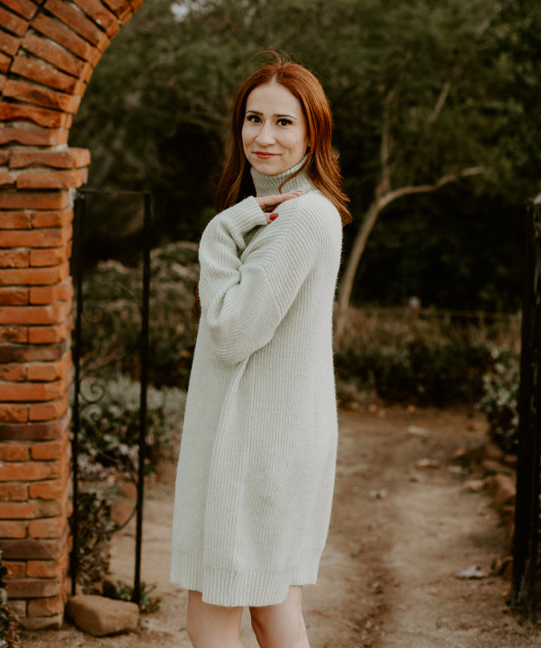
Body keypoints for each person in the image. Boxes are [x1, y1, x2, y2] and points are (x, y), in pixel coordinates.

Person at [170, 54, 351, 648]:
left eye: (283, 122)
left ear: (313, 133)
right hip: (264, 438)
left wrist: (220, 229)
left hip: (256, 447)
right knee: (273, 611)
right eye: (253, 119)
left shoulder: (299, 218)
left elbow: (230, 332)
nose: (263, 136)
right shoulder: (285, 213)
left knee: (215, 613)